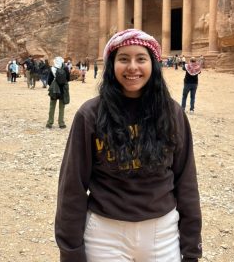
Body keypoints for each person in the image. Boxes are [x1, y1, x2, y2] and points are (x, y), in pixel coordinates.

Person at [55, 29, 202, 262]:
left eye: (141, 59)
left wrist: (192, 248)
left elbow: (186, 181)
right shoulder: (90, 114)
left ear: (153, 64)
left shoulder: (172, 113)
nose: (132, 67)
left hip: (162, 233)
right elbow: (72, 186)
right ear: (112, 65)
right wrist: (71, 251)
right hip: (104, 233)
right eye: (123, 59)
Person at [46, 56, 70, 129]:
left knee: (52, 106)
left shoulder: (52, 68)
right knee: (61, 108)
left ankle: (49, 123)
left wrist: (54, 84)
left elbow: (49, 81)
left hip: (54, 91)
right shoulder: (65, 68)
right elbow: (68, 78)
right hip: (63, 90)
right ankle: (61, 123)